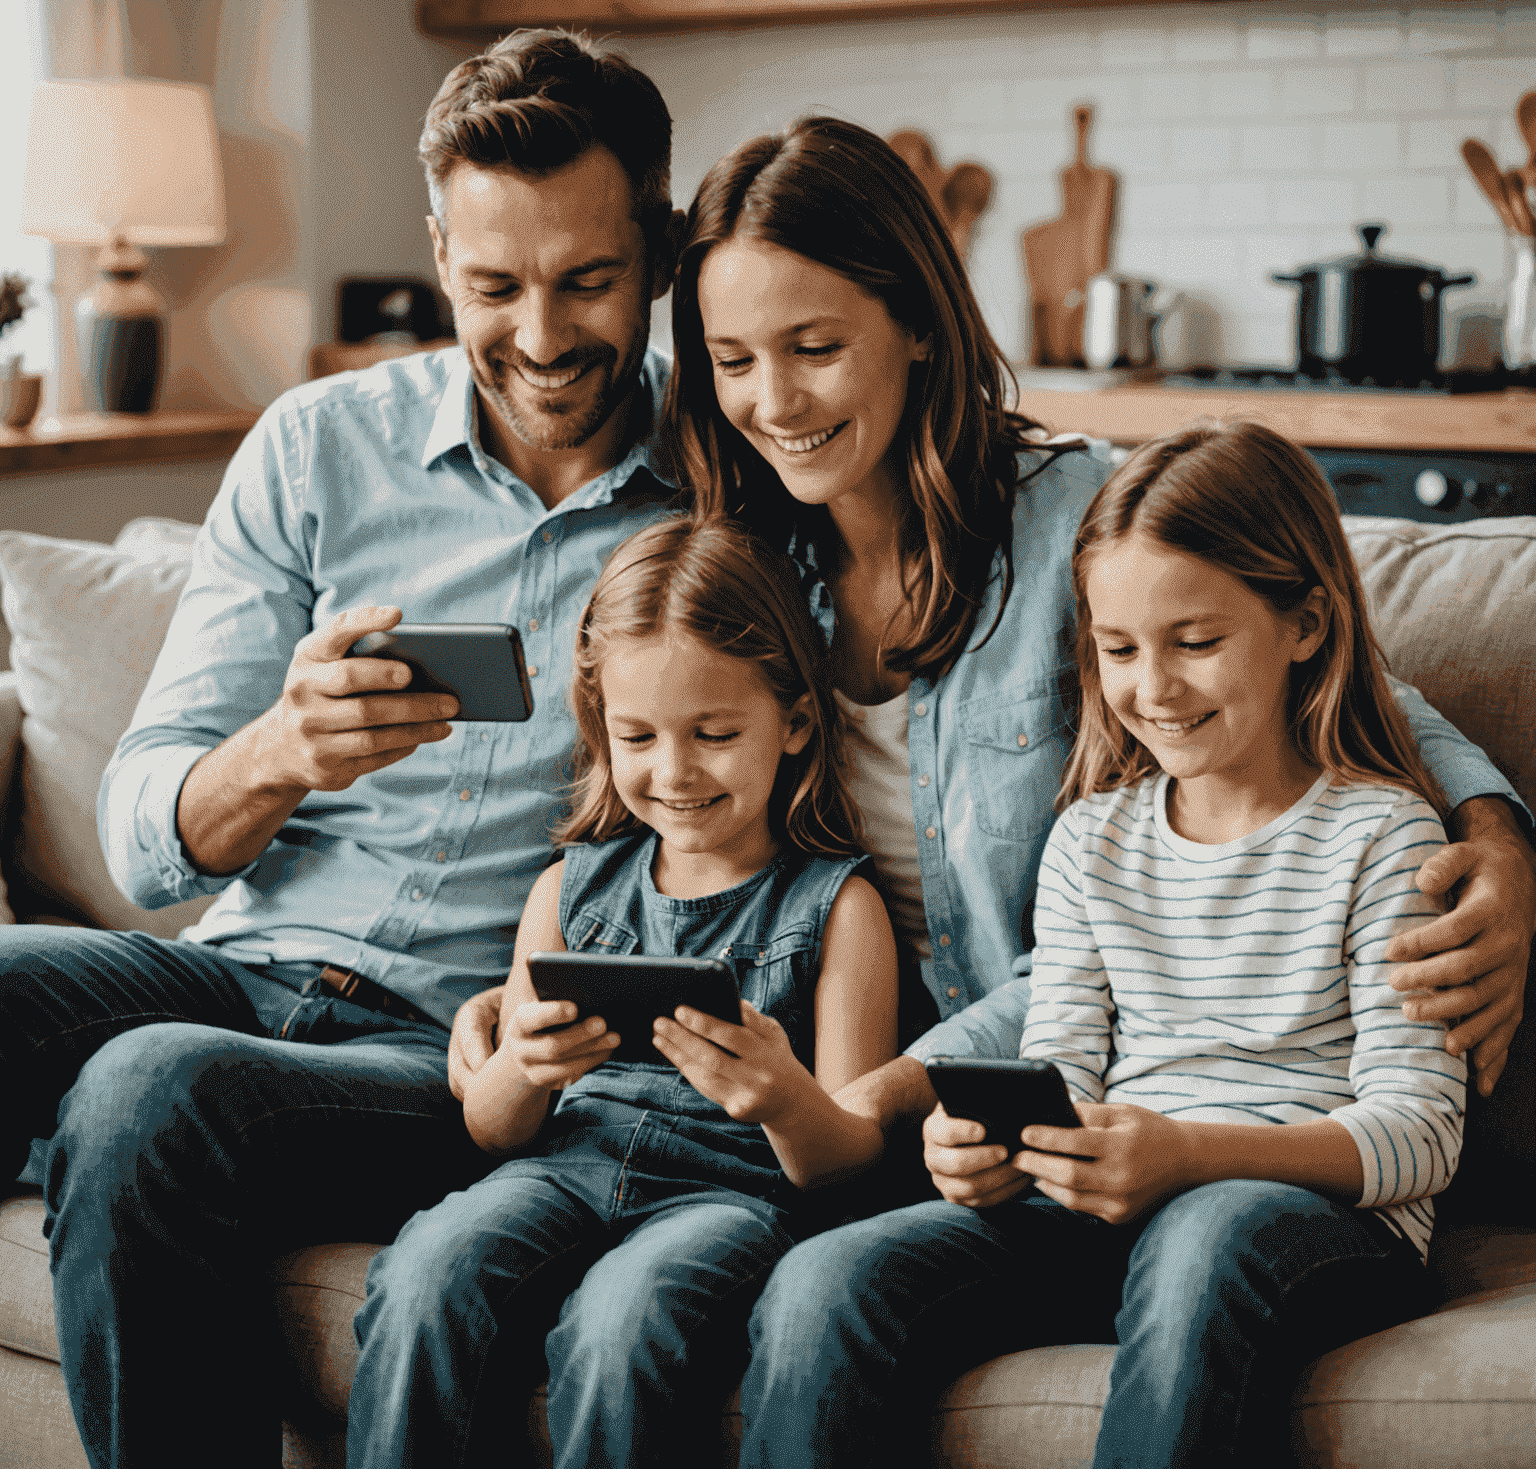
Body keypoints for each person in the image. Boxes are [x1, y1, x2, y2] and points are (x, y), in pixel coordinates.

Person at [451, 116, 1533, 1119]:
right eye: (734, 362)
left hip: (1020, 1079)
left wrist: (1500, 845)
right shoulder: (735, 564)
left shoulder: (1077, 519)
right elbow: (627, 824)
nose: (774, 404)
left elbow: (1359, 690)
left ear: (919, 326)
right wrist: (515, 999)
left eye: (815, 349)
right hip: (793, 1094)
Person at [0, 29, 687, 1469]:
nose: (544, 336)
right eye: (495, 287)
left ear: (663, 253)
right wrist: (278, 752)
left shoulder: (731, 495)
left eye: (590, 282)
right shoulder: (321, 446)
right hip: (246, 965)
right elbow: (138, 836)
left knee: (148, 1091)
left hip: (467, 1051)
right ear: (439, 252)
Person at [735, 422, 1469, 1467]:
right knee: (828, 1280)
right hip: (1116, 1207)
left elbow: (1419, 1136)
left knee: (1206, 1239)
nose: (1153, 688)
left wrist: (1186, 1156)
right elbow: (1063, 1072)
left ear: (1305, 624)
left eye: (1197, 642)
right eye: (1120, 650)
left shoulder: (1384, 836)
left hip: (1309, 1225)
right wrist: (985, 1154)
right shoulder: (1091, 839)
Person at [349, 514, 897, 1466]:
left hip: (729, 1196)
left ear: (797, 721)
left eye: (716, 733)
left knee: (622, 1323)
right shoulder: (570, 887)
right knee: (429, 1271)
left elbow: (847, 1163)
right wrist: (520, 1067)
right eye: (636, 735)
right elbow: (492, 1125)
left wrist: (783, 1097)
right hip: (560, 1166)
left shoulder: (839, 909)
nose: (674, 771)